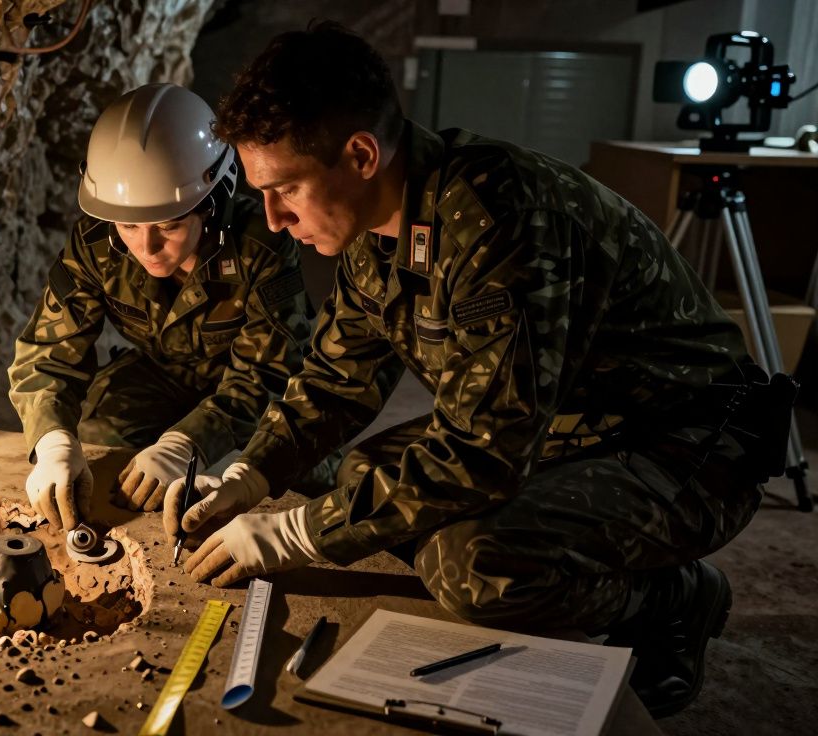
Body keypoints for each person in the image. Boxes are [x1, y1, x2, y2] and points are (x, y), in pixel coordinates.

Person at [162, 23, 790, 717]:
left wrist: (293, 534)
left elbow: (483, 452)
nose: (274, 220)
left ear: (362, 154)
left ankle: (674, 599)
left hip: (691, 448)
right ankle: (588, 564)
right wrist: (252, 474)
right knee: (359, 481)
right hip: (569, 427)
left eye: (285, 191)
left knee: (473, 567)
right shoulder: (378, 231)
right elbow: (336, 382)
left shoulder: (497, 219)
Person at [9, 83, 336, 533]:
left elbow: (264, 373)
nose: (147, 246)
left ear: (213, 204)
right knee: (99, 445)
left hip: (256, 384)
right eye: (129, 224)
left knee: (300, 477)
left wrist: (188, 440)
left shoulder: (261, 244)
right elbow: (48, 353)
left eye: (170, 223)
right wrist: (53, 443)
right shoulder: (96, 243)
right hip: (161, 372)